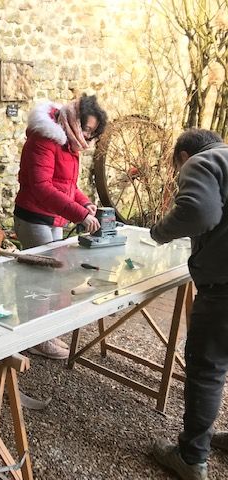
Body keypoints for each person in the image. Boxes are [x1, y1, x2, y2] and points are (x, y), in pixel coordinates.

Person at [150, 129, 228, 480]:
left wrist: (159, 231)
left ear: (183, 156)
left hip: (224, 288)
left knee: (207, 369)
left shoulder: (202, 162)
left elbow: (198, 212)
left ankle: (192, 458)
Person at [13, 94, 108, 359]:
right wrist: (79, 215)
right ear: (75, 119)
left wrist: (84, 203)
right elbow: (42, 187)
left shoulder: (68, 142)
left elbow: (67, 186)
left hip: (54, 217)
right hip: (33, 217)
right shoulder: (43, 140)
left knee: (50, 277)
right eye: (86, 128)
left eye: (91, 132)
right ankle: (35, 339)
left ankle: (42, 332)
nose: (87, 136)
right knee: (40, 280)